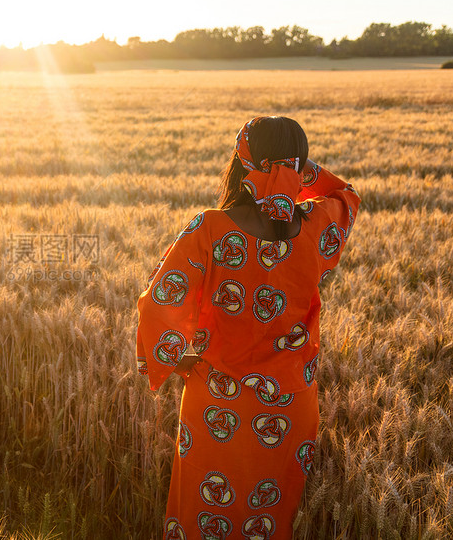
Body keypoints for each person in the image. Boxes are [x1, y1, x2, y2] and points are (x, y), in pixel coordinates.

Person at [135, 116, 360, 539]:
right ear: (301, 165)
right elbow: (346, 193)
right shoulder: (316, 226)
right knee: (271, 520)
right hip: (290, 408)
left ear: (243, 162)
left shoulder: (212, 228)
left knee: (205, 515)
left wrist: (173, 358)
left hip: (218, 404)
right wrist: (296, 175)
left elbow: (159, 300)